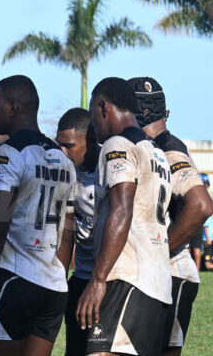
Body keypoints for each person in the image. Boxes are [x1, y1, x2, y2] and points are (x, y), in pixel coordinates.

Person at [0, 75, 76, 356]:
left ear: (13, 107)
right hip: (53, 286)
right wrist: (54, 269)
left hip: (15, 281)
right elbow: (68, 229)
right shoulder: (63, 160)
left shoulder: (8, 154)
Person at [76, 77, 172, 356]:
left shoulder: (117, 144)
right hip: (156, 283)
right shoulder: (155, 150)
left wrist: (98, 278)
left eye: (93, 111)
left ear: (103, 107)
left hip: (127, 278)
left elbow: (122, 206)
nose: (92, 123)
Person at [128, 76, 213, 355]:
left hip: (173, 270)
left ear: (143, 112)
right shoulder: (148, 147)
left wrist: (161, 251)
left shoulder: (169, 149)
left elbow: (201, 205)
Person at [55, 107, 100, 356]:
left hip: (108, 283)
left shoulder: (112, 173)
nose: (63, 152)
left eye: (69, 146)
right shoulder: (64, 172)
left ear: (90, 141)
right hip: (80, 278)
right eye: (59, 144)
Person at [191, 173, 211, 270]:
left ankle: (192, 269)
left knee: (189, 248)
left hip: (192, 224)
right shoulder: (207, 198)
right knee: (196, 248)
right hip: (199, 225)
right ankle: (196, 270)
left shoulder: (196, 195)